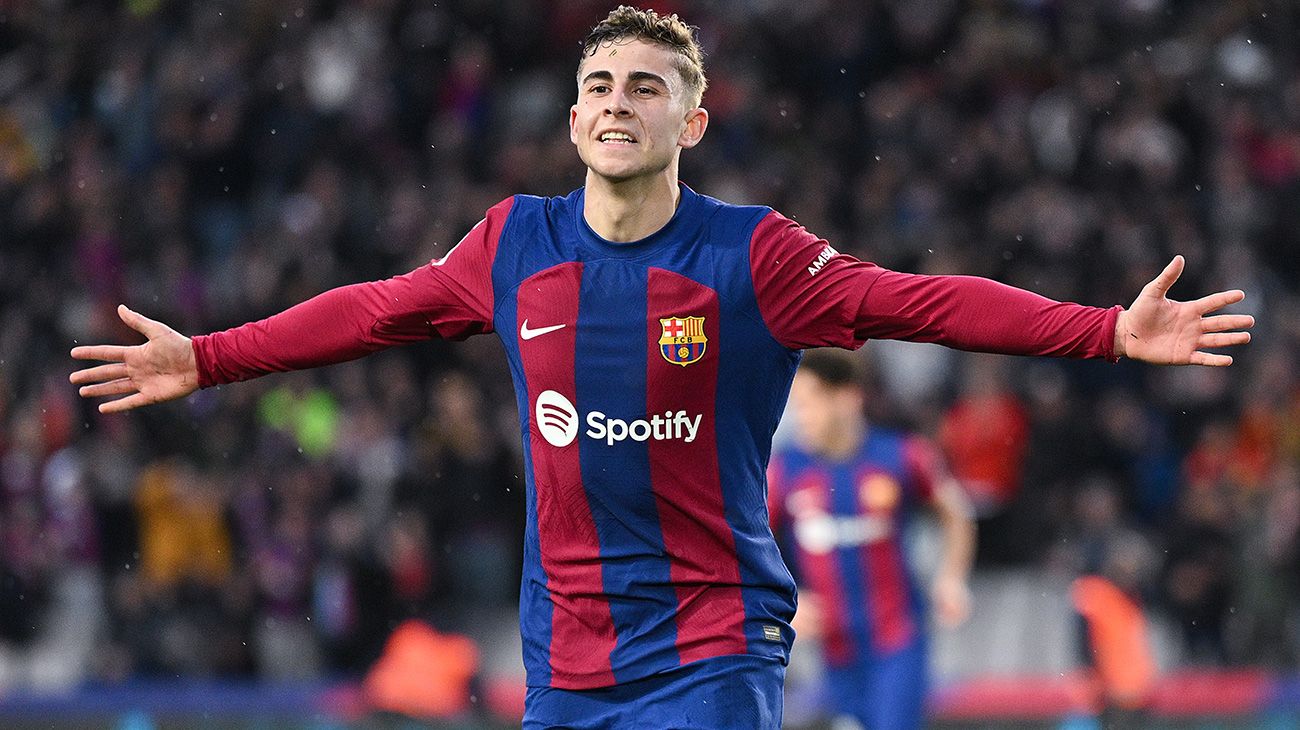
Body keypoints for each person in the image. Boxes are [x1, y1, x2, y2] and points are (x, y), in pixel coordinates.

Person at [69, 6, 1253, 728]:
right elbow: (374, 311)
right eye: (597, 86)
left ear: (691, 121)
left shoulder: (755, 256)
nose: (615, 102)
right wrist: (209, 357)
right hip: (566, 657)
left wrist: (1101, 328)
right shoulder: (512, 245)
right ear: (575, 121)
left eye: (646, 85)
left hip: (712, 650)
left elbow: (919, 301)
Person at [769, 349, 974, 730]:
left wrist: (952, 578)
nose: (801, 416)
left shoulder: (901, 455)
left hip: (896, 640)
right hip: (834, 649)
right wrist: (786, 602)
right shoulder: (786, 468)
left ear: (847, 398)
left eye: (810, 402)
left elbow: (956, 513)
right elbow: (752, 539)